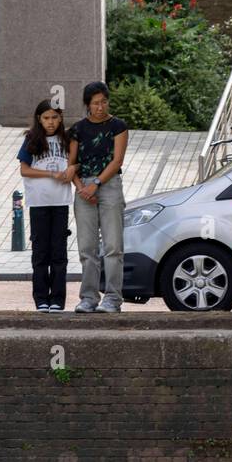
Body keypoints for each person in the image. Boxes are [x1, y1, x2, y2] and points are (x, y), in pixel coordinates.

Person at [67, 82, 128, 314]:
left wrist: (96, 184)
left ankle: (112, 298)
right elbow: (72, 165)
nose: (100, 107)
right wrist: (83, 188)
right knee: (87, 247)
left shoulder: (118, 126)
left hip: (109, 184)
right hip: (83, 188)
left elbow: (117, 160)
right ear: (87, 105)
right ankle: (88, 298)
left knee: (113, 245)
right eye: (95, 103)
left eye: (103, 101)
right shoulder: (77, 129)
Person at [16, 100, 75, 312]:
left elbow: (75, 163)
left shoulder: (67, 140)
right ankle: (41, 298)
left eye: (55, 117)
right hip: (39, 204)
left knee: (59, 254)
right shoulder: (31, 140)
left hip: (60, 203)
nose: (50, 122)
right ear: (39, 119)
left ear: (60, 118)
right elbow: (24, 170)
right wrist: (51, 174)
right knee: (40, 253)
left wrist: (71, 171)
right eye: (46, 118)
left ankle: (58, 299)